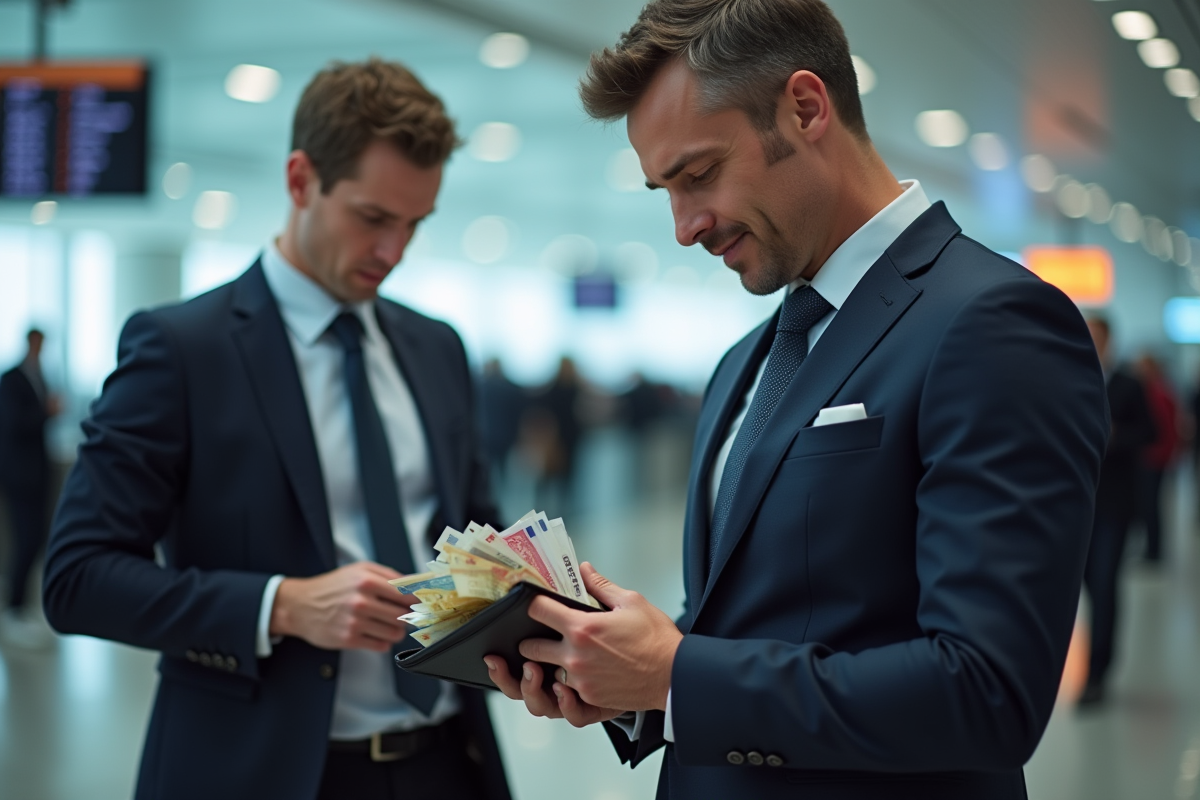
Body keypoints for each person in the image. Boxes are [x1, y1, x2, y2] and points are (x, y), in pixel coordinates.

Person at [487, 2, 1109, 798]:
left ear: (806, 109)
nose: (684, 226)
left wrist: (676, 675)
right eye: (663, 190)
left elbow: (986, 691)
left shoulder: (992, 322)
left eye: (700, 173)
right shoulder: (746, 361)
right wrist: (622, 679)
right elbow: (750, 626)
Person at [43, 59, 511, 800]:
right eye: (373, 218)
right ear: (300, 181)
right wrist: (282, 605)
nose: (394, 253)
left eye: (414, 224)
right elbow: (76, 579)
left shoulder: (435, 346)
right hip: (265, 768)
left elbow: (474, 531)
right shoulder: (183, 349)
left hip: (447, 761)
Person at [1078, 318, 1155, 706]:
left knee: (1105, 584)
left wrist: (1116, 437)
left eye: (1097, 336)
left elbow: (1150, 432)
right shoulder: (1069, 379)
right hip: (1076, 505)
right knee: (1089, 585)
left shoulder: (1128, 384)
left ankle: (1097, 673)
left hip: (1114, 503)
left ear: (1109, 340)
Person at [0, 328, 59, 648]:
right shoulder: (11, 379)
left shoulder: (42, 376)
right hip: (19, 475)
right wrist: (45, 411)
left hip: (39, 473)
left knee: (36, 539)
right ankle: (14, 610)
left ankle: (24, 608)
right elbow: (14, 423)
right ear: (29, 342)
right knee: (24, 540)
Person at [1134, 353, 1178, 564]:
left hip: (1154, 458)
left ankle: (1154, 551)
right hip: (1153, 457)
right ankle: (1151, 548)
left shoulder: (1157, 393)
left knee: (1151, 506)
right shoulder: (1154, 391)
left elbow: (1165, 430)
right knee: (1149, 506)